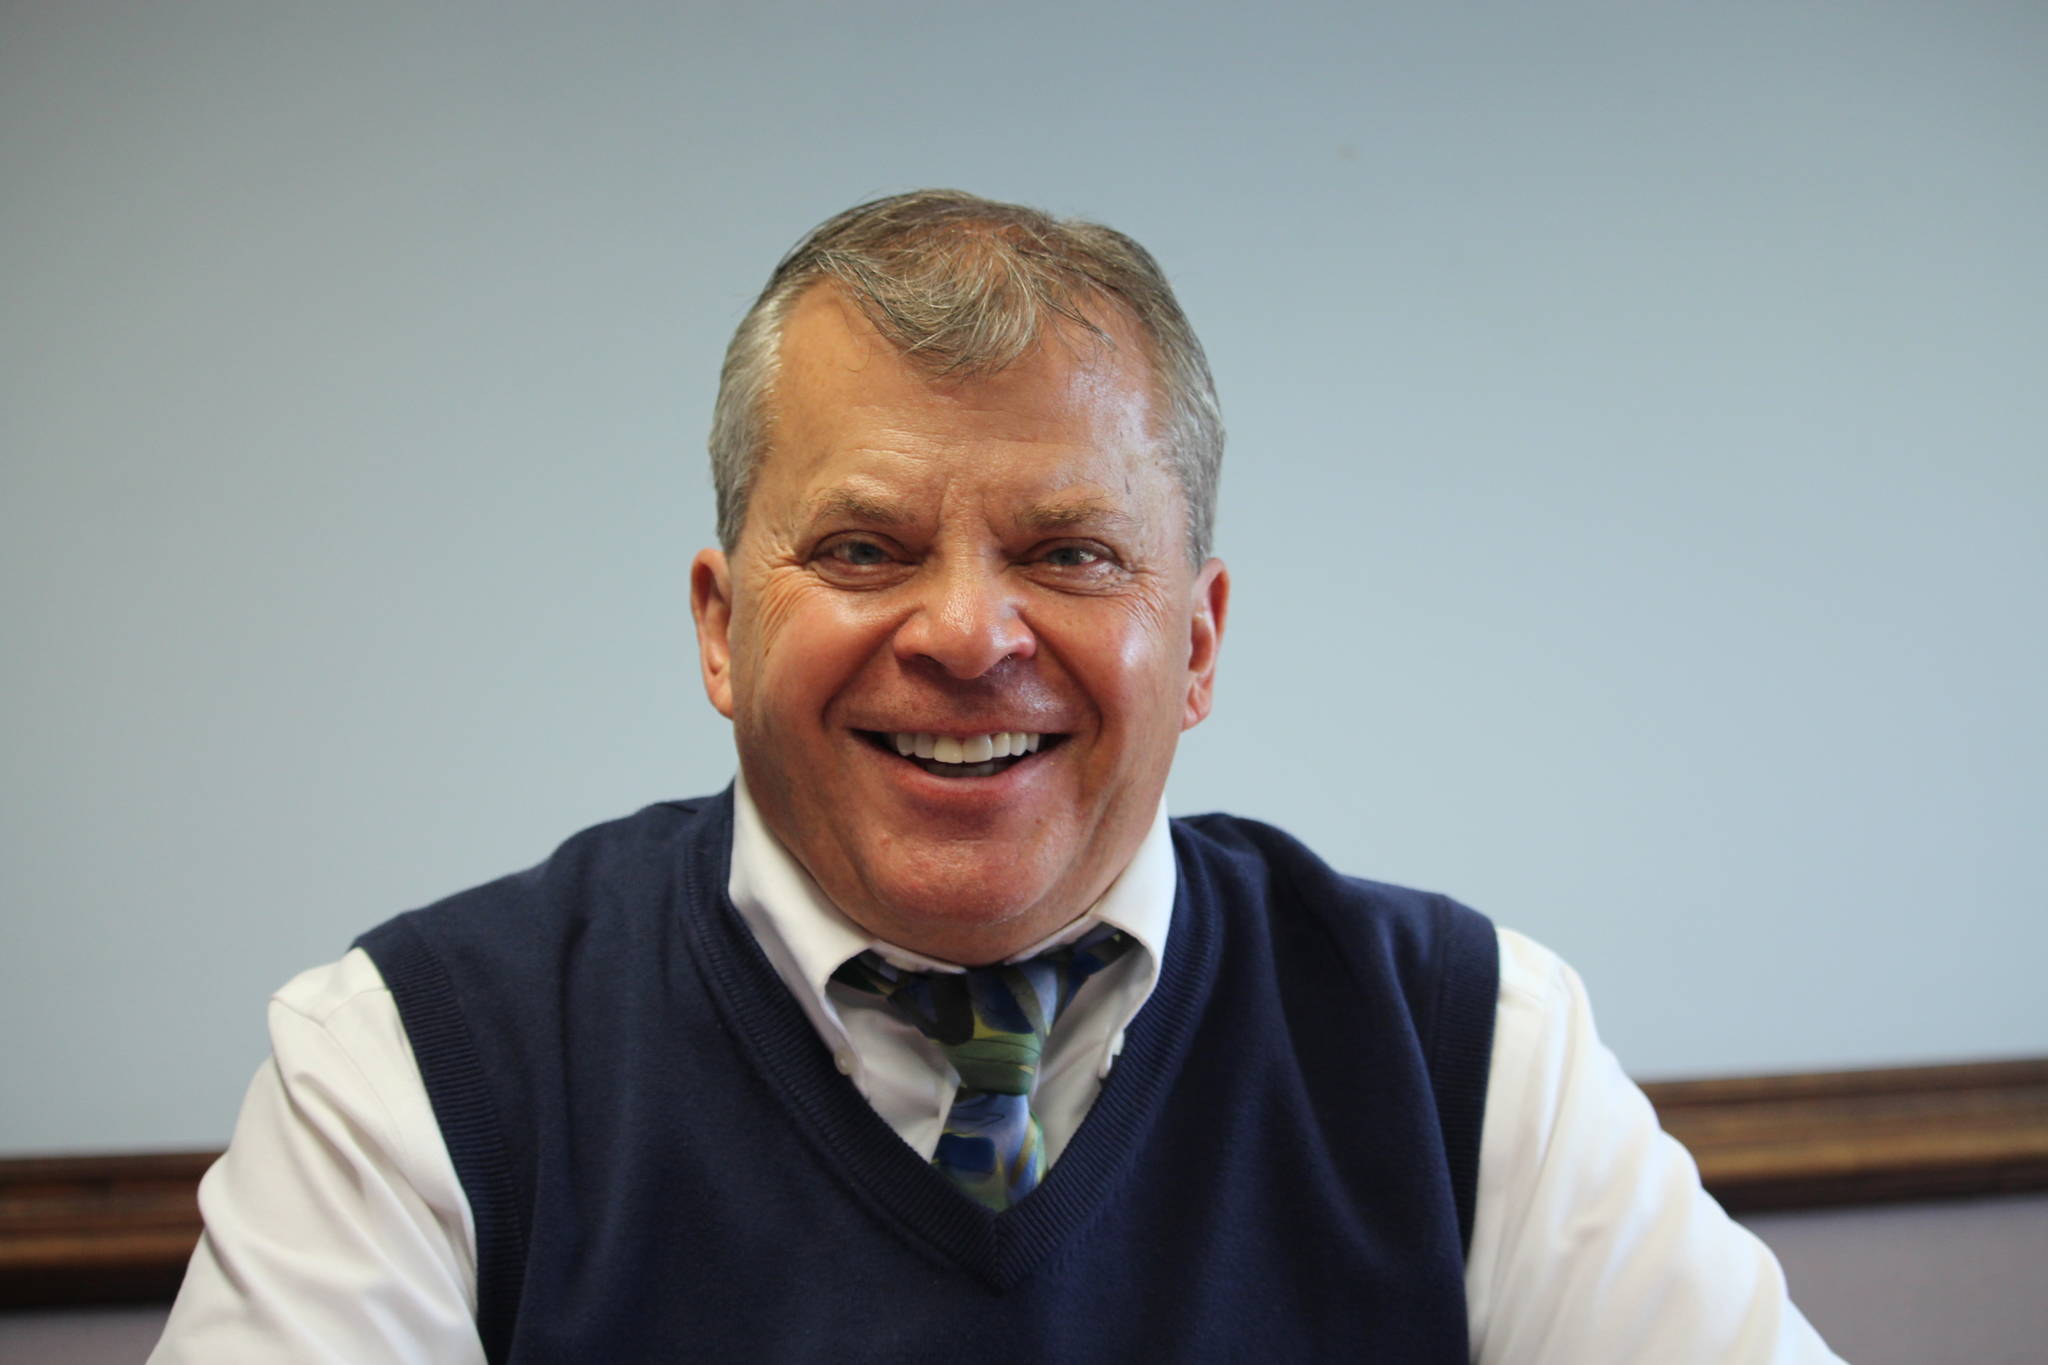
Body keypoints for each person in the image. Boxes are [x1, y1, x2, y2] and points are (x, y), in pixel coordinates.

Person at [151, 190, 1841, 1362]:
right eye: (868, 546)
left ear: (1196, 643)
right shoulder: (412, 1069)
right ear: (723, 624)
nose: (969, 634)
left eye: (1072, 550)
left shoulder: (1470, 1046)